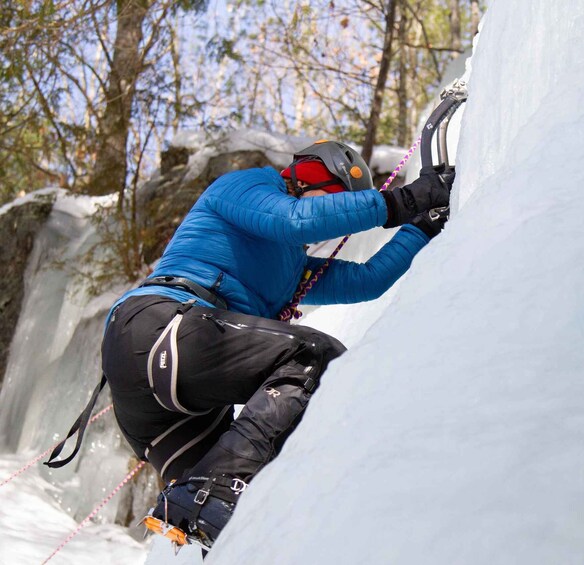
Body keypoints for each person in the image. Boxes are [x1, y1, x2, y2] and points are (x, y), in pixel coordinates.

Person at [99, 140, 453, 546]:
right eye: (338, 201)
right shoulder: (246, 187)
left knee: (239, 510)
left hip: (156, 393)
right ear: (314, 176)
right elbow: (296, 220)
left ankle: (208, 501)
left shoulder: (290, 266)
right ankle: (214, 486)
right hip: (158, 325)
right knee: (316, 355)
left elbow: (368, 280)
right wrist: (406, 200)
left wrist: (424, 224)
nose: (338, 220)